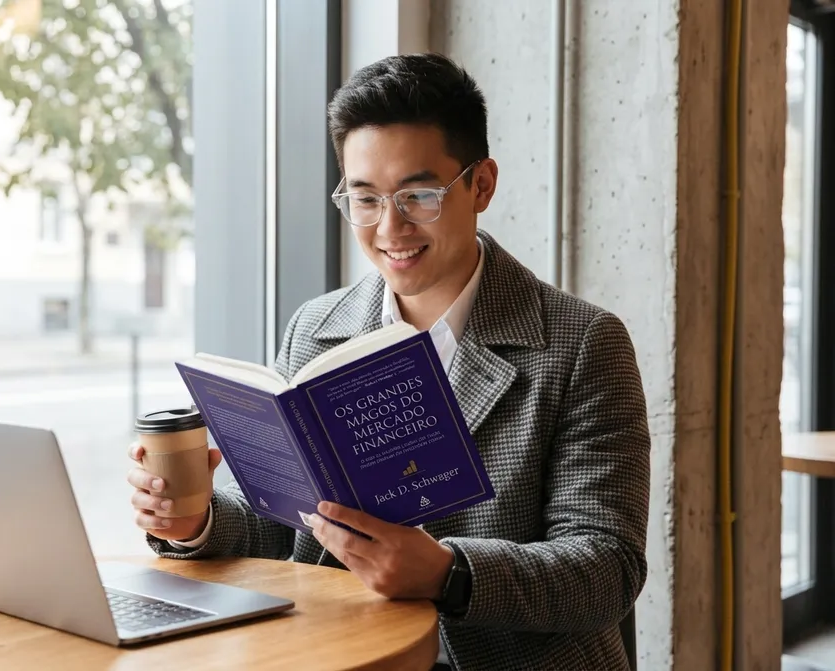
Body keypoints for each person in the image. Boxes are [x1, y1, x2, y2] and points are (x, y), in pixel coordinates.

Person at [127, 53, 651, 671]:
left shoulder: (582, 343)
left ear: (481, 184)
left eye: (418, 195)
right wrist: (195, 521)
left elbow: (606, 566)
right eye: (365, 199)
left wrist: (449, 574)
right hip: (343, 653)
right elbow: (277, 526)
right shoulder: (316, 330)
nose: (389, 228)